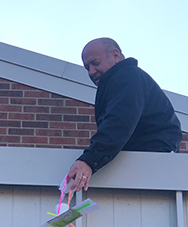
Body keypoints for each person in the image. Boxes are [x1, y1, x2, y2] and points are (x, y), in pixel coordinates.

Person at [67, 37, 182, 192]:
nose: (91, 71)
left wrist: (89, 160)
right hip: (148, 163)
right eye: (87, 67)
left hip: (150, 162)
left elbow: (119, 123)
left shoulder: (126, 76)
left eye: (95, 63)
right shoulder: (123, 79)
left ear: (115, 55)